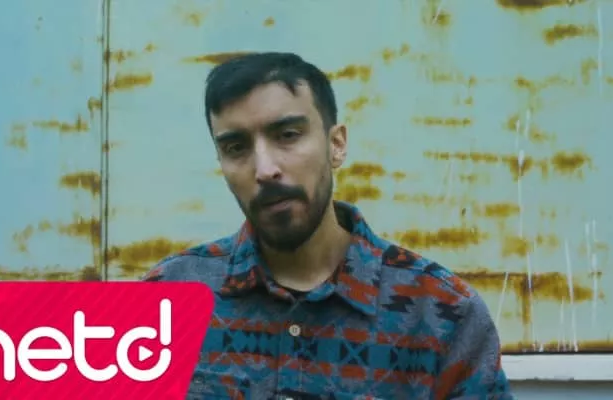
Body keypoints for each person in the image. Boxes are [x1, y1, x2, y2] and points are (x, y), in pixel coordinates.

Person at [141, 52, 513, 399]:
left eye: (287, 135)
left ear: (336, 145)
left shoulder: (442, 313)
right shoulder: (166, 299)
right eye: (236, 147)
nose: (265, 169)